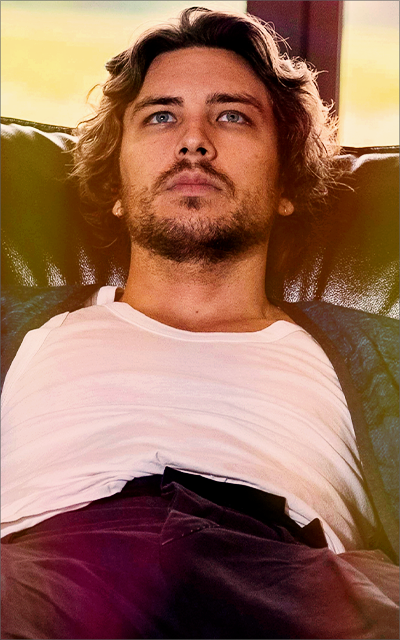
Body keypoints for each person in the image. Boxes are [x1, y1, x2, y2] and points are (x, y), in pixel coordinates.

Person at [1, 7, 398, 639]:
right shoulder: (21, 331)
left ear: (286, 182)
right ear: (115, 182)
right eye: (161, 116)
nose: (194, 141)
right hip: (41, 574)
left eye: (232, 115)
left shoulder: (379, 357)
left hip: (289, 580)